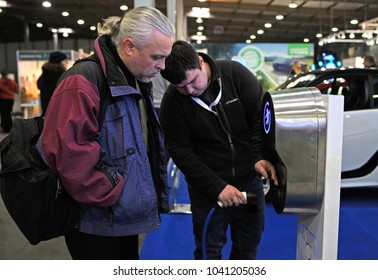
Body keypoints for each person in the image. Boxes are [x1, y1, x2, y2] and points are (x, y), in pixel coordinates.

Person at [36, 6, 175, 260]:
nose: (162, 66)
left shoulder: (132, 77)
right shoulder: (83, 80)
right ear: (129, 46)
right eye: (156, 56)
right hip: (96, 222)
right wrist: (116, 190)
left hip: (122, 217)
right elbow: (69, 156)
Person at [159, 41, 278, 260]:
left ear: (201, 61)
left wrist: (259, 156)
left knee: (248, 247)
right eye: (181, 87)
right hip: (207, 188)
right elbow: (181, 152)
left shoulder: (235, 75)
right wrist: (216, 187)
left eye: (193, 80)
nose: (190, 90)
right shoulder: (172, 103)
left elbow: (260, 118)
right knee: (208, 251)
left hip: (249, 180)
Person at [37, 51, 69, 116]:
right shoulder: (61, 77)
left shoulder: (43, 76)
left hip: (46, 113)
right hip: (59, 114)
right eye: (65, 61)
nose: (67, 63)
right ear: (59, 62)